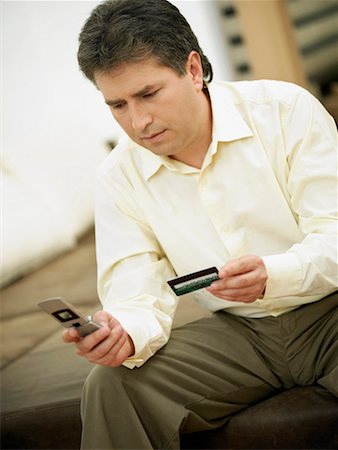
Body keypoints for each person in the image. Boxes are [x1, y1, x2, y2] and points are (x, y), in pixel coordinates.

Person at [63, 0, 338, 448]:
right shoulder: (118, 176)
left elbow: (335, 233)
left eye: (149, 94)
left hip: (330, 312)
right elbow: (135, 290)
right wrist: (124, 334)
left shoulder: (285, 111)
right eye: (118, 105)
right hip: (241, 335)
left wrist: (275, 274)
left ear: (193, 69)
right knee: (110, 385)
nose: (139, 122)